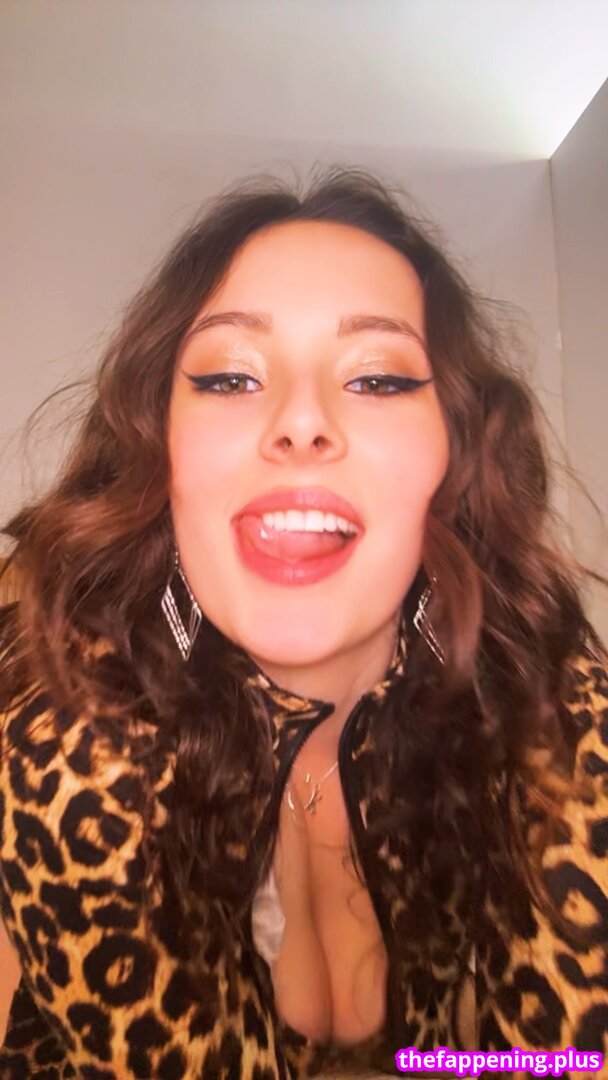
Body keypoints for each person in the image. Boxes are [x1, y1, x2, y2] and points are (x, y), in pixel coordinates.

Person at [0, 165, 606, 1080]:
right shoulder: (58, 739)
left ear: (455, 453)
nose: (300, 423)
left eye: (377, 378)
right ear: (159, 449)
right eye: (230, 376)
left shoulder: (554, 721)